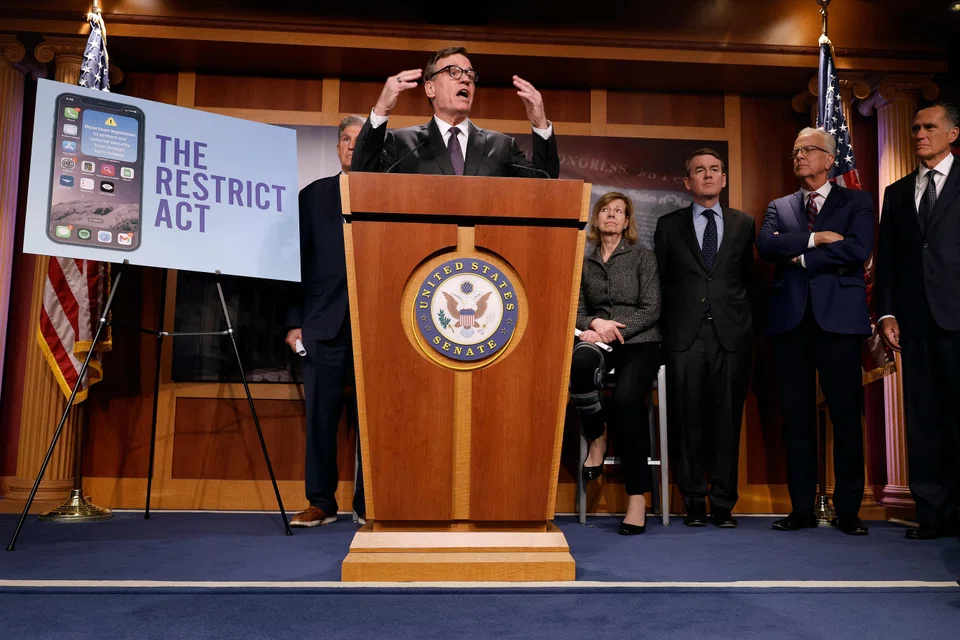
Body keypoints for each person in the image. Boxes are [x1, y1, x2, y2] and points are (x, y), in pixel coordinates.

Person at [756, 127, 874, 536]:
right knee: (797, 421)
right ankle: (802, 509)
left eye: (808, 150)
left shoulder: (857, 201)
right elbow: (767, 246)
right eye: (795, 152)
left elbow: (857, 250)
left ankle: (849, 512)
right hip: (791, 323)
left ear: (829, 159)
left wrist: (801, 257)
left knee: (845, 418)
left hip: (839, 322)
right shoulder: (780, 205)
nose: (799, 157)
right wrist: (815, 238)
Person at [654, 149, 755, 528]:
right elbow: (663, 282)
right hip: (684, 337)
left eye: (714, 170)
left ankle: (724, 504)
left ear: (724, 179)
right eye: (699, 170)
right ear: (687, 182)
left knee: (728, 422)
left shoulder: (744, 224)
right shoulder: (668, 225)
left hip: (732, 337)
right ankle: (694, 501)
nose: (708, 176)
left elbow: (746, 280)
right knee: (688, 420)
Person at [876, 102, 960, 540]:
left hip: (957, 318)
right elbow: (887, 260)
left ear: (953, 133)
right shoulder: (896, 191)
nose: (920, 133)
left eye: (930, 126)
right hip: (914, 323)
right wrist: (887, 311)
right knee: (924, 421)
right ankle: (932, 514)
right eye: (915, 127)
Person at [284, 115, 366, 527]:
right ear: (337, 148)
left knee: (376, 421)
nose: (353, 145)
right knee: (320, 419)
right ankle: (321, 501)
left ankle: (371, 506)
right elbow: (294, 264)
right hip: (322, 323)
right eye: (346, 139)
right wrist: (294, 321)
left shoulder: (394, 194)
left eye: (361, 139)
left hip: (377, 326)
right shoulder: (312, 196)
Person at [571, 192, 661, 535]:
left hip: (639, 342)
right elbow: (575, 308)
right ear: (596, 220)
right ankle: (597, 437)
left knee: (626, 402)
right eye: (605, 211)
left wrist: (611, 331)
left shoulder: (643, 257)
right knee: (579, 366)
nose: (611, 216)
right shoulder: (584, 259)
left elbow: (651, 308)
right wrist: (593, 325)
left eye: (619, 212)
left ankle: (636, 496)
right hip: (596, 337)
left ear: (627, 222)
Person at [350, 46, 559, 178]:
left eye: (470, 74)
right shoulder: (403, 144)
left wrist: (540, 122)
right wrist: (381, 109)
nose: (466, 79)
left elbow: (546, 184)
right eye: (453, 72)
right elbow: (362, 176)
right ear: (430, 88)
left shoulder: (501, 147)